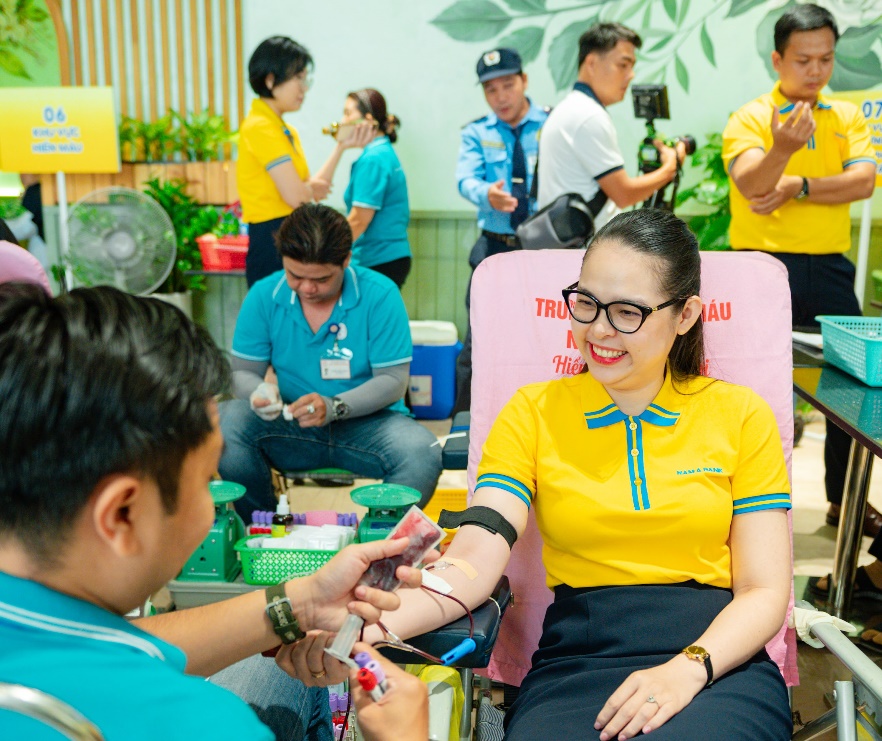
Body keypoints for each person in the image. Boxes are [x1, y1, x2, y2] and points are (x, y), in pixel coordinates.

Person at [314, 209, 792, 740]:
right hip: (579, 660)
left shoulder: (740, 414)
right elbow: (475, 557)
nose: (599, 330)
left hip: (715, 660)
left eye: (628, 312)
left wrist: (688, 668)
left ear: (685, 316)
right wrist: (367, 624)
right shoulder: (533, 412)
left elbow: (765, 590)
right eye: (586, 303)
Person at [0, 282, 433, 740]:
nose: (212, 505)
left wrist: (300, 603)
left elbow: (112, 648)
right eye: (207, 479)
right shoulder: (206, 725)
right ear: (122, 515)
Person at [723, 4, 878, 546]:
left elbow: (862, 182)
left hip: (832, 270)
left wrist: (798, 186)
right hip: (763, 271)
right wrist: (783, 149)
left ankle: (843, 501)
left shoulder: (847, 115)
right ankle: (748, 508)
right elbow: (749, 185)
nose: (816, 71)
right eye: (803, 60)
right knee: (751, 390)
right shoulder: (749, 117)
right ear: (777, 59)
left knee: (853, 390)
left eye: (826, 59)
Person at [218, 202, 442, 516]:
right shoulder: (264, 296)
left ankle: (383, 540)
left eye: (322, 279)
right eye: (295, 275)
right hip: (292, 423)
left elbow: (393, 381)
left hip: (371, 425)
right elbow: (242, 372)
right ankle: (264, 528)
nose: (307, 288)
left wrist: (334, 406)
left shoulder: (380, 294)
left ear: (347, 260)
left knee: (423, 452)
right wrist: (258, 392)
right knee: (225, 422)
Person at [453, 47, 549, 415]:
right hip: (494, 247)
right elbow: (465, 179)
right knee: (479, 341)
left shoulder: (552, 124)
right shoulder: (477, 131)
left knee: (540, 338)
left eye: (508, 85)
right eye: (490, 90)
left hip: (543, 252)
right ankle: (464, 424)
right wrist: (485, 194)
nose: (500, 97)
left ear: (524, 81)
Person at [238, 36, 374, 286]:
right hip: (271, 239)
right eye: (297, 78)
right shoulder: (260, 126)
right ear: (270, 79)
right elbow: (297, 196)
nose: (304, 87)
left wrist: (340, 148)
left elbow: (309, 189)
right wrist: (307, 189)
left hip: (289, 233)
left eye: (305, 78)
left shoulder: (284, 129)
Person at [537, 23, 684, 226]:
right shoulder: (588, 115)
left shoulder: (571, 107)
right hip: (584, 250)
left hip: (570, 244)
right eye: (623, 65)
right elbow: (624, 194)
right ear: (591, 63)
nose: (631, 75)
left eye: (632, 66)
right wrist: (670, 167)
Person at [340, 89, 412, 289]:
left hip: (377, 260)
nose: (342, 120)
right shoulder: (382, 152)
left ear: (368, 119)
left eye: (348, 113)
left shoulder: (373, 159)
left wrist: (328, 254)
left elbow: (359, 219)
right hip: (388, 258)